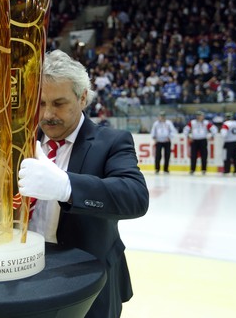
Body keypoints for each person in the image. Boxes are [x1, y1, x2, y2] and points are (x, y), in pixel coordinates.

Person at [17, 50, 149, 318]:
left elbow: (135, 197)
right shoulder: (21, 141)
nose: (47, 114)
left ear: (83, 98)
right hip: (25, 272)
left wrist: (67, 187)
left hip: (88, 279)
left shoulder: (112, 141)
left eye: (59, 103)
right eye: (40, 103)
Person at [183, 111, 218, 175]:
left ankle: (204, 169)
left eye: (200, 115)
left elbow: (214, 129)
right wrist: (188, 136)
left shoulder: (206, 123)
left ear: (203, 116)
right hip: (194, 140)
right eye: (197, 115)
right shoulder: (192, 122)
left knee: (204, 155)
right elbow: (185, 129)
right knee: (193, 156)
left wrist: (212, 136)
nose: (198, 117)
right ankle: (192, 169)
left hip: (203, 140)